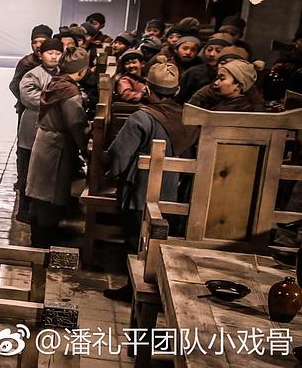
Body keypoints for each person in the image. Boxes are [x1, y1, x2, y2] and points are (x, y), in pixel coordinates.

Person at [102, 62, 197, 301]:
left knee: (137, 240)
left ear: (147, 89)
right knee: (161, 241)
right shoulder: (187, 118)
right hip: (174, 190)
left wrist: (112, 174)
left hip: (142, 189)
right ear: (177, 90)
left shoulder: (143, 117)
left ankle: (134, 287)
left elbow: (119, 153)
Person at [25, 48, 91, 248]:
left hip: (44, 140)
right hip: (56, 146)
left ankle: (38, 239)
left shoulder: (55, 83)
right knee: (49, 197)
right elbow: (76, 124)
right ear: (82, 70)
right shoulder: (70, 92)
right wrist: (86, 148)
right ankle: (43, 245)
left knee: (40, 195)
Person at [15, 38, 63, 224]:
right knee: (27, 171)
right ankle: (24, 210)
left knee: (44, 173)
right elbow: (28, 97)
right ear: (41, 55)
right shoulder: (33, 75)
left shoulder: (62, 73)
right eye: (50, 53)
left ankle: (40, 211)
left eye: (57, 53)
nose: (54, 56)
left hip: (50, 131)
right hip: (31, 129)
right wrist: (57, 100)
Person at [9, 24, 53, 115]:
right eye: (34, 42)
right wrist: (27, 100)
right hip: (29, 109)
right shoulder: (26, 63)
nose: (38, 45)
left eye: (42, 41)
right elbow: (14, 85)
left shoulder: (55, 61)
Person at [188, 58, 260, 112]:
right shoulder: (222, 102)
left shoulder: (235, 110)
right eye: (217, 78)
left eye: (222, 79)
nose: (216, 82)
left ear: (238, 86)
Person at [177, 35, 231, 102]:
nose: (212, 54)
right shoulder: (194, 72)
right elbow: (179, 98)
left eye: (218, 51)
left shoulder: (232, 75)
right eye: (209, 50)